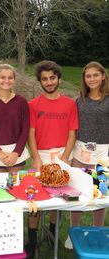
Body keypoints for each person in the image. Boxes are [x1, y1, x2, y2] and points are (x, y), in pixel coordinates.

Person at [27, 60, 78, 258]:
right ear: (40, 81)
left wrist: (64, 158)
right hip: (41, 154)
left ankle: (51, 233)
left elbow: (72, 133)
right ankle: (31, 241)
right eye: (44, 79)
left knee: (58, 197)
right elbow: (31, 133)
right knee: (36, 199)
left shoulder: (70, 104)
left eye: (52, 78)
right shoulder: (33, 104)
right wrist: (36, 157)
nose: (49, 82)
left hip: (63, 154)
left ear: (58, 78)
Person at [65, 61, 109, 249]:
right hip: (81, 153)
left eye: (95, 75)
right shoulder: (79, 100)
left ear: (103, 76)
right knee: (76, 192)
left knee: (100, 194)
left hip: (103, 154)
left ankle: (96, 231)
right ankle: (73, 231)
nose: (92, 79)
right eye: (88, 75)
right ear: (84, 78)